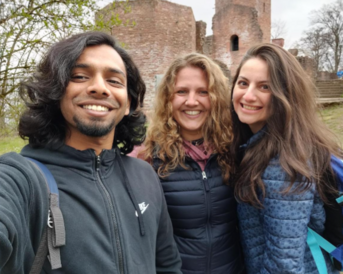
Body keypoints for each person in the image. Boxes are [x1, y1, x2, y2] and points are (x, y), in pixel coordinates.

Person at [0, 31, 182, 274]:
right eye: (80, 76)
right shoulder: (22, 179)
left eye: (114, 81)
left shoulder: (144, 175)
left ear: (128, 103)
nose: (99, 87)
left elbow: (167, 265)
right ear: (56, 91)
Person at [229, 43, 341, 273]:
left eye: (265, 86)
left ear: (285, 94)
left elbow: (284, 265)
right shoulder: (259, 143)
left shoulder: (282, 164)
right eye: (243, 83)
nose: (248, 95)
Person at [141, 53, 245, 274]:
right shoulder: (148, 157)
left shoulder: (235, 150)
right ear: (168, 98)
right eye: (181, 92)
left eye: (203, 92)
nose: (191, 101)